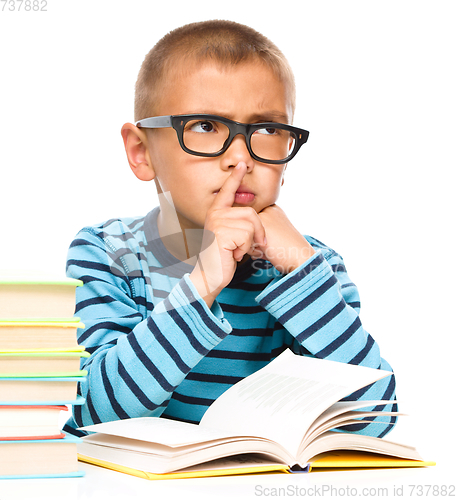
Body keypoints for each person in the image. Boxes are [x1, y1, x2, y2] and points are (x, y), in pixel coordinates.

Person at [65, 20, 397, 438]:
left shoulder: (312, 267)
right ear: (141, 152)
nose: (241, 159)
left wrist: (301, 274)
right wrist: (203, 281)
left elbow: (376, 417)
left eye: (268, 130)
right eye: (204, 126)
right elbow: (95, 414)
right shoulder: (109, 254)